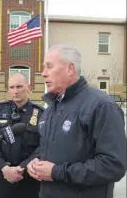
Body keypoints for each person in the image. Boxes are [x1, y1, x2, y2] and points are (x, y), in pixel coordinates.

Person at [27, 44, 126, 198]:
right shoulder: (52, 107)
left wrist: (57, 172)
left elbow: (113, 166)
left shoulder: (101, 106)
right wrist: (34, 162)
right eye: (43, 67)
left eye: (49, 66)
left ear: (70, 69)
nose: (43, 73)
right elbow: (48, 149)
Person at [0, 72, 44, 198]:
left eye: (19, 86)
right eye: (12, 87)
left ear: (29, 87)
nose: (15, 91)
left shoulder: (40, 114)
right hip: (2, 176)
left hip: (30, 178)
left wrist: (22, 167)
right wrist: (4, 168)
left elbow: (43, 146)